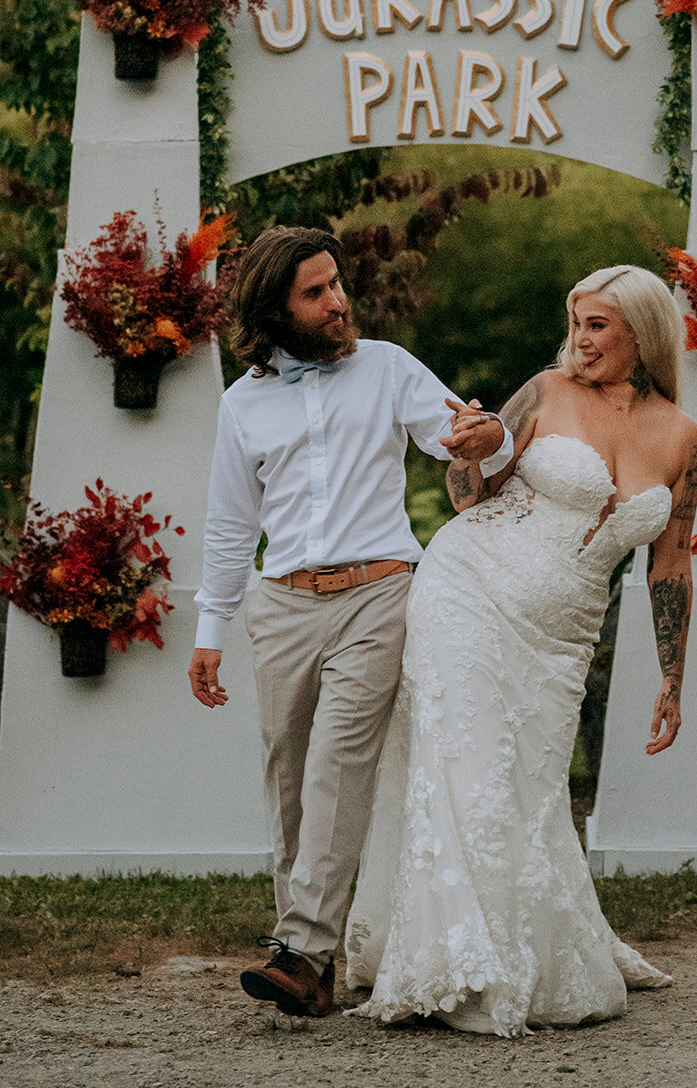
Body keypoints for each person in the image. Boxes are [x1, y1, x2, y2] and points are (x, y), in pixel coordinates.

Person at [345, 264, 697, 1037]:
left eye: (598, 324)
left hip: (563, 636)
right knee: (469, 763)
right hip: (468, 590)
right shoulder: (545, 391)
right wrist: (469, 451)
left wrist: (671, 677)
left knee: (531, 785)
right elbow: (470, 491)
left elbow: (671, 564)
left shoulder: (682, 437)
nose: (581, 339)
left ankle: (528, 947)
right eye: (576, 321)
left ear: (642, 334)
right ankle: (457, 965)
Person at [187, 226, 512, 1019]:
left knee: (338, 765)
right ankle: (314, 964)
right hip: (282, 604)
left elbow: (466, 443)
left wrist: (491, 436)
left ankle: (297, 948)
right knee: (289, 778)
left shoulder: (389, 368)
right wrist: (210, 629)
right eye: (315, 292)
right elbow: (232, 524)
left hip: (378, 595)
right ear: (277, 310)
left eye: (336, 283)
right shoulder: (242, 405)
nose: (337, 301)